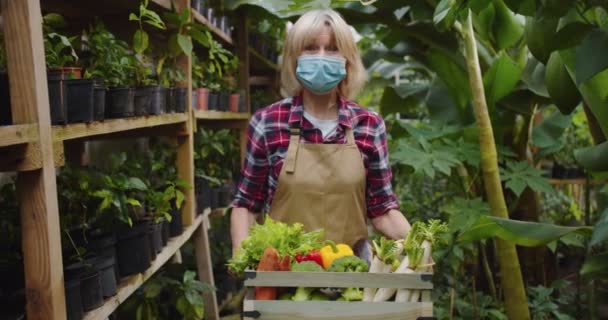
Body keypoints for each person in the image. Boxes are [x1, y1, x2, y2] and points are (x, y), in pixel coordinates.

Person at [230, 9, 411, 254]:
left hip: (351, 272)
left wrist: (418, 244)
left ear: (348, 59)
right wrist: (243, 257)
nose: (322, 57)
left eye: (333, 49)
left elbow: (382, 211)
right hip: (283, 274)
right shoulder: (268, 122)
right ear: (295, 58)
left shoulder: (368, 124)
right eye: (311, 48)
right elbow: (247, 205)